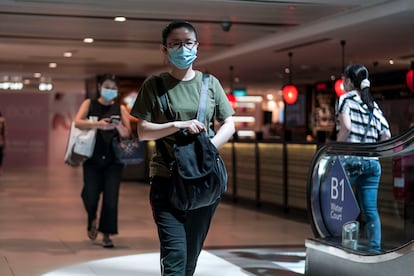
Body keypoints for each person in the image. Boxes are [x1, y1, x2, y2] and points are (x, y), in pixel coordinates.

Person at [130, 21, 235, 275]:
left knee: (190, 258)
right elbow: (142, 131)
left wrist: (209, 146)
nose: (182, 48)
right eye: (175, 44)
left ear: (197, 47)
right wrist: (176, 124)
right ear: (164, 50)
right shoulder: (153, 86)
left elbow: (229, 124)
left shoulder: (210, 84)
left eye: (188, 43)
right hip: (167, 179)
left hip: (203, 180)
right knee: (175, 255)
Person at [336, 64, 391, 252]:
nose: (343, 83)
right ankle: (374, 249)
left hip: (351, 159)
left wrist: (336, 148)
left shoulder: (345, 99)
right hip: (372, 163)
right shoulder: (372, 105)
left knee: (341, 206)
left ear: (350, 81)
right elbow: (386, 136)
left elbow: (347, 128)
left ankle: (345, 245)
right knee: (370, 210)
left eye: (344, 79)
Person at [74, 74, 131, 248]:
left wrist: (117, 126)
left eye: (114, 88)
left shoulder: (120, 108)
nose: (110, 91)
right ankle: (92, 217)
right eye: (107, 87)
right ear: (99, 87)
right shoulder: (89, 104)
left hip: (114, 160)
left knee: (111, 198)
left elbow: (128, 133)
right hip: (92, 156)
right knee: (89, 194)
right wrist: (99, 124)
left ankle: (107, 234)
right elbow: (78, 122)